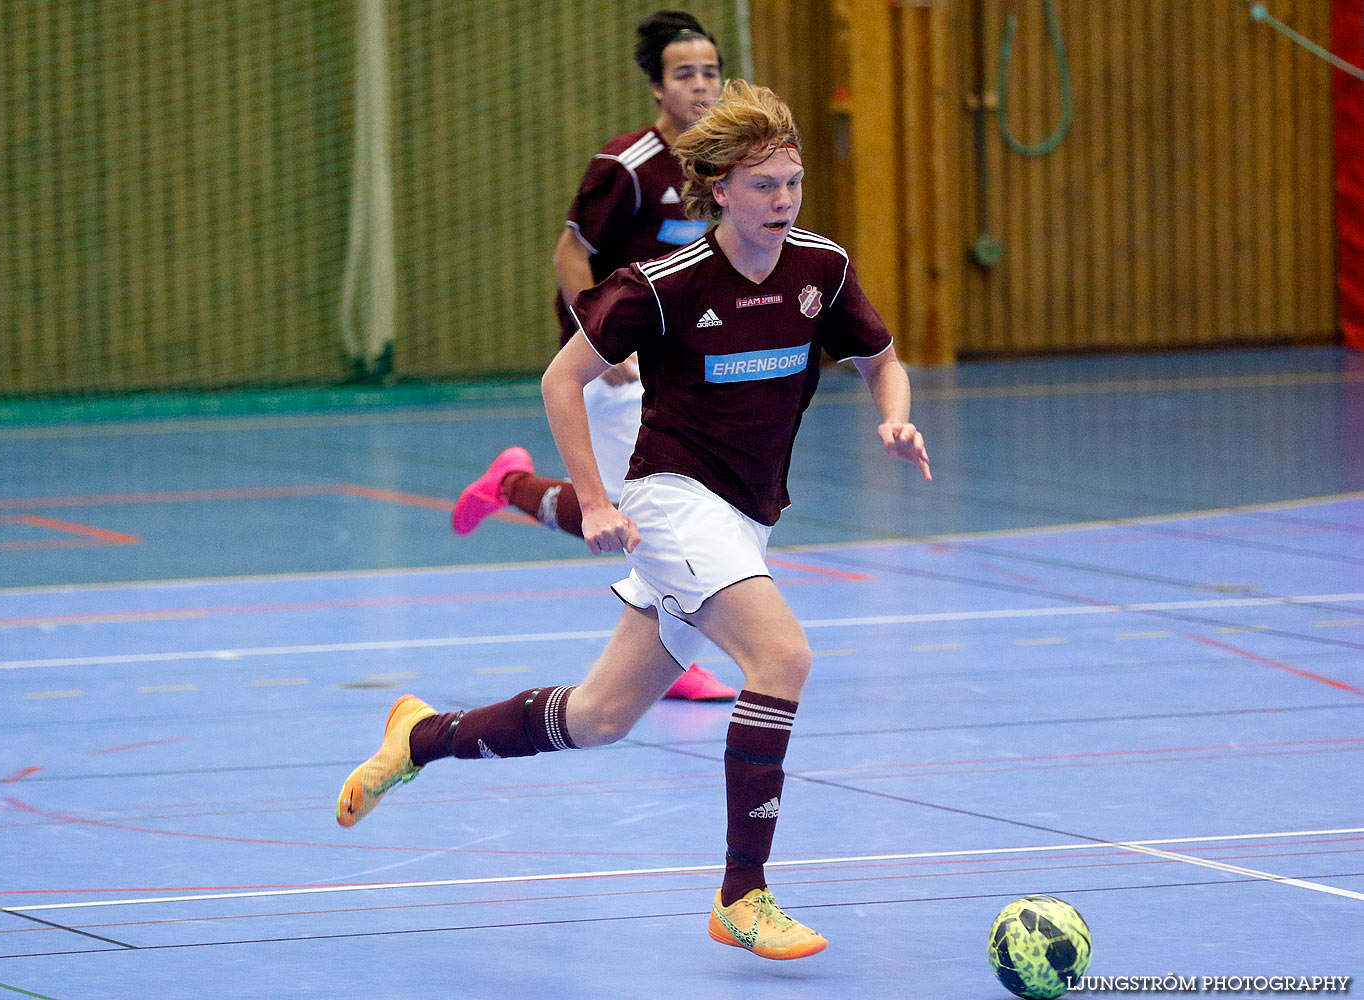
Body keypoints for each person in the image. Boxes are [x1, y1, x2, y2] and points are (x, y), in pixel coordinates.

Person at [338, 79, 931, 962]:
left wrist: (894, 413)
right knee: (784, 657)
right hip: (674, 500)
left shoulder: (822, 269)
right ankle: (744, 894)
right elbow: (560, 379)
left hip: (746, 516)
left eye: (794, 182)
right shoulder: (661, 283)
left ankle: (419, 736)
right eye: (764, 184)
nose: (783, 201)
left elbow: (883, 358)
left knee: (600, 716)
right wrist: (598, 499)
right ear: (719, 188)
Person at [450, 9, 735, 702]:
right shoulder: (627, 166)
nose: (700, 85)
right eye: (684, 74)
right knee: (655, 516)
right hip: (617, 364)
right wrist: (604, 348)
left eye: (710, 71)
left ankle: (510, 486)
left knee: (642, 512)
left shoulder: (725, 165)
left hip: (684, 365)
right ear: (657, 88)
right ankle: (674, 658)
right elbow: (569, 255)